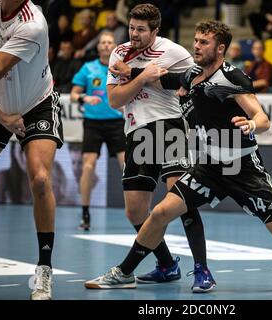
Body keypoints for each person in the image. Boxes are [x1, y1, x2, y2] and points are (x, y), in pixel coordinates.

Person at [85, 19, 272, 293]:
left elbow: (262, 117)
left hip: (242, 170)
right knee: (159, 213)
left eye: (204, 42)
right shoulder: (191, 75)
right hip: (209, 168)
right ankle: (124, 272)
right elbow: (161, 80)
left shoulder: (232, 77)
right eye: (196, 40)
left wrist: (252, 125)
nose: (196, 46)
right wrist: (130, 71)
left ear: (220, 48)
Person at [84, 3, 212, 292]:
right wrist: (141, 77)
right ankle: (167, 265)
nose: (134, 34)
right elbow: (115, 100)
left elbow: (197, 76)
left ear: (155, 30)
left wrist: (175, 83)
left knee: (181, 199)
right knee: (134, 211)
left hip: (168, 127)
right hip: (136, 131)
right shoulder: (119, 53)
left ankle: (202, 270)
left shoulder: (174, 51)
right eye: (131, 28)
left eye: (141, 30)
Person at [0, 0, 64, 300]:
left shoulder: (33, 23)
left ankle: (44, 270)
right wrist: (1, 117)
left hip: (36, 104)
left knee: (41, 179)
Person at [70, 31, 126, 230]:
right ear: (98, 46)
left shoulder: (122, 68)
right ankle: (85, 214)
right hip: (93, 123)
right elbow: (74, 94)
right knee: (88, 166)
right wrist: (85, 98)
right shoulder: (88, 68)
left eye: (109, 42)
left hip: (116, 123)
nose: (105, 45)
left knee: (127, 167)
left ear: (114, 46)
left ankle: (138, 210)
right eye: (102, 42)